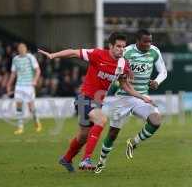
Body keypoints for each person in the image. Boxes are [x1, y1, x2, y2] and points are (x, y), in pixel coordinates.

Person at [38, 32, 152, 172]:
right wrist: (53, 55)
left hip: (97, 103)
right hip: (84, 98)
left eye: (123, 47)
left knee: (83, 137)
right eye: (118, 46)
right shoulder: (97, 54)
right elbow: (73, 52)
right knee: (102, 119)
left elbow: (125, 86)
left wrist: (142, 97)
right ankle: (86, 160)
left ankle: (66, 159)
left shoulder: (123, 63)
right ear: (110, 46)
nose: (121, 49)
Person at [95, 29, 167, 173]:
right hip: (123, 97)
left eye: (150, 41)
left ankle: (133, 142)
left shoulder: (154, 52)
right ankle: (101, 161)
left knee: (156, 121)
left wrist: (157, 82)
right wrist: (123, 74)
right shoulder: (126, 52)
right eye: (145, 41)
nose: (148, 44)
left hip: (142, 97)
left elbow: (163, 72)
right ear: (137, 41)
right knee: (113, 133)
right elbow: (114, 70)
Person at [7, 43, 42, 135]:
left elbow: (38, 70)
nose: (22, 49)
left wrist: (35, 80)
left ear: (26, 49)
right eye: (20, 48)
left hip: (29, 85)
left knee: (31, 106)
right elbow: (13, 73)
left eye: (23, 48)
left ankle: (37, 122)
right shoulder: (15, 59)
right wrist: (9, 84)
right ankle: (20, 127)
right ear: (18, 49)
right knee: (18, 105)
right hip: (19, 85)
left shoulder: (30, 57)